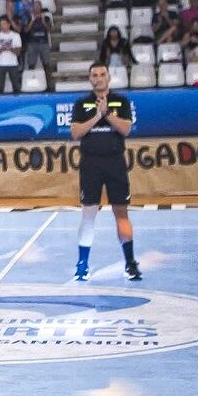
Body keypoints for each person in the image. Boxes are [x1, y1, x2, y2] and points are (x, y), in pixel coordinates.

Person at [71, 64, 140, 282]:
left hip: (115, 163)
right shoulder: (82, 104)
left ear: (109, 78)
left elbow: (126, 130)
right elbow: (75, 133)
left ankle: (130, 263)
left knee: (121, 213)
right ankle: (82, 265)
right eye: (94, 75)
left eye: (102, 75)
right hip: (90, 164)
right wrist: (96, 117)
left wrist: (107, 113)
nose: (98, 78)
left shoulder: (122, 101)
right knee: (89, 213)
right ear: (90, 79)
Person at [0, 16, 23, 94]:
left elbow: (18, 51)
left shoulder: (15, 35)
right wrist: (1, 49)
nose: (3, 26)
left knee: (16, 86)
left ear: (9, 24)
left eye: (4, 24)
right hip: (0, 64)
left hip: (13, 63)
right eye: (1, 25)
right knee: (0, 87)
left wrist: (10, 49)